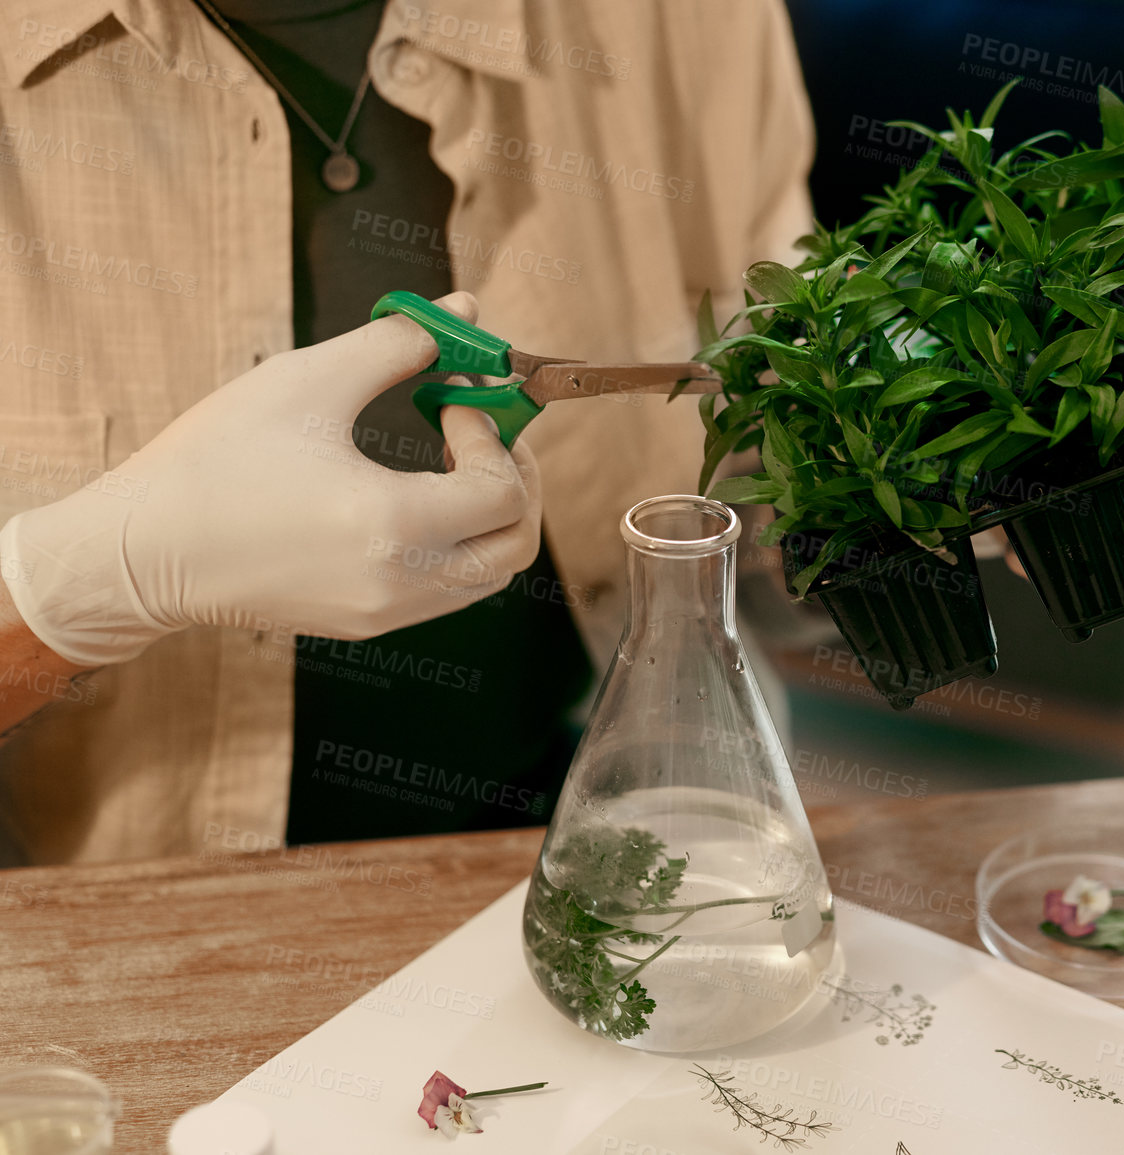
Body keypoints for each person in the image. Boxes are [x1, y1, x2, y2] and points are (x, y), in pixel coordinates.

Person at [0, 0, 814, 865]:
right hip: (116, 924)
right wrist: (89, 585)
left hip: (626, 849)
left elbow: (765, 440)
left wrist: (897, 502)